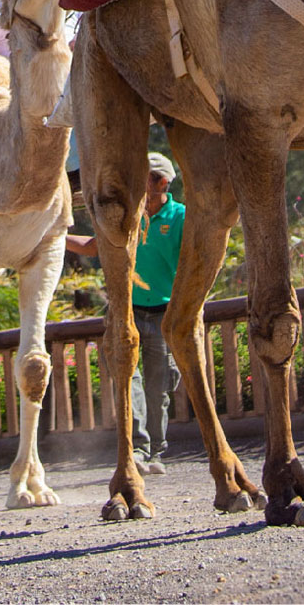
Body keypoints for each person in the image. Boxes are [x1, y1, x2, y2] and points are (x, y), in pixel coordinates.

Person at [130, 151, 185, 475]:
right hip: (131, 314)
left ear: (162, 182)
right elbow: (99, 244)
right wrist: (60, 238)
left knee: (159, 388)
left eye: (145, 177)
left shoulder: (180, 217)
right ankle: (137, 447)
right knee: (131, 381)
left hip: (165, 315)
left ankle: (154, 453)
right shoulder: (133, 215)